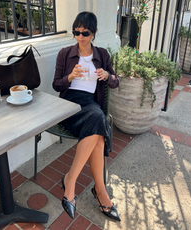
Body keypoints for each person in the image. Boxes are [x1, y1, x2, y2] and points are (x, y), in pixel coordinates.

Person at [52, 11, 121, 221]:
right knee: (99, 127)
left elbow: (116, 81)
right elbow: (56, 85)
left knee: (96, 119)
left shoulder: (102, 55)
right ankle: (100, 192)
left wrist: (107, 75)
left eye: (85, 32)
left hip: (90, 104)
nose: (80, 36)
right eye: (76, 32)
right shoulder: (65, 53)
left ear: (94, 33)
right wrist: (69, 77)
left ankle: (71, 179)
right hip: (68, 105)